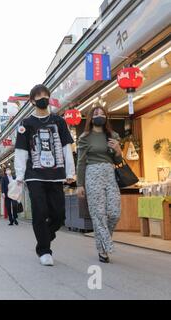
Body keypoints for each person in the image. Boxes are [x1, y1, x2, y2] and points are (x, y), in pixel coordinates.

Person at [15, 84, 75, 266]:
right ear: (32, 101)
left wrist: (70, 172)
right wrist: (20, 175)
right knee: (40, 211)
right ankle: (44, 250)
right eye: (39, 95)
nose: (43, 98)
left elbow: (66, 148)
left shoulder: (59, 121)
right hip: (34, 175)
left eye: (45, 95)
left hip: (56, 174)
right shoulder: (26, 124)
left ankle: (45, 237)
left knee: (59, 215)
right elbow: (21, 151)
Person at [77, 106, 123, 263]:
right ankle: (104, 249)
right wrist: (80, 184)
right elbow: (81, 162)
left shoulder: (113, 135)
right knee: (98, 213)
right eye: (96, 114)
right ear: (91, 117)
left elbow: (118, 161)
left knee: (115, 212)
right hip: (92, 174)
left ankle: (104, 243)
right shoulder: (85, 137)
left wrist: (118, 150)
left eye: (103, 113)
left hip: (110, 174)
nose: (100, 116)